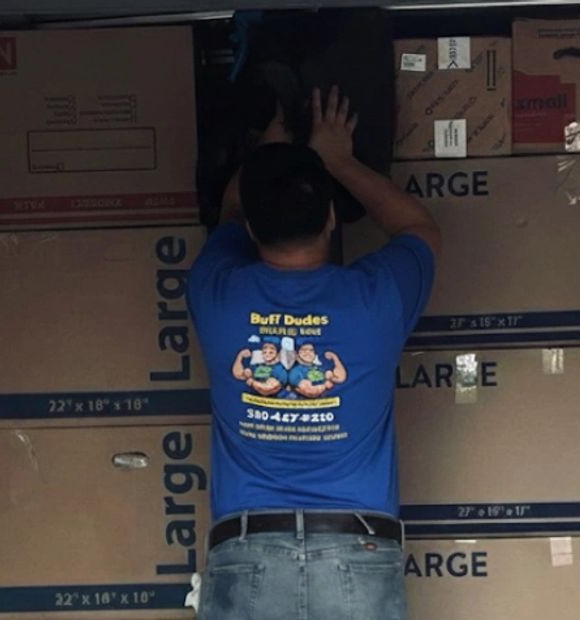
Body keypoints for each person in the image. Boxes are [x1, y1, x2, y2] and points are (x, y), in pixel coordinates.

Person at [187, 86, 439, 620]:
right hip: (358, 552)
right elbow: (416, 228)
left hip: (246, 554)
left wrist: (266, 156)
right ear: (330, 217)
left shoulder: (216, 293)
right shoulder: (375, 300)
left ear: (253, 229)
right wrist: (338, 162)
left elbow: (229, 212)